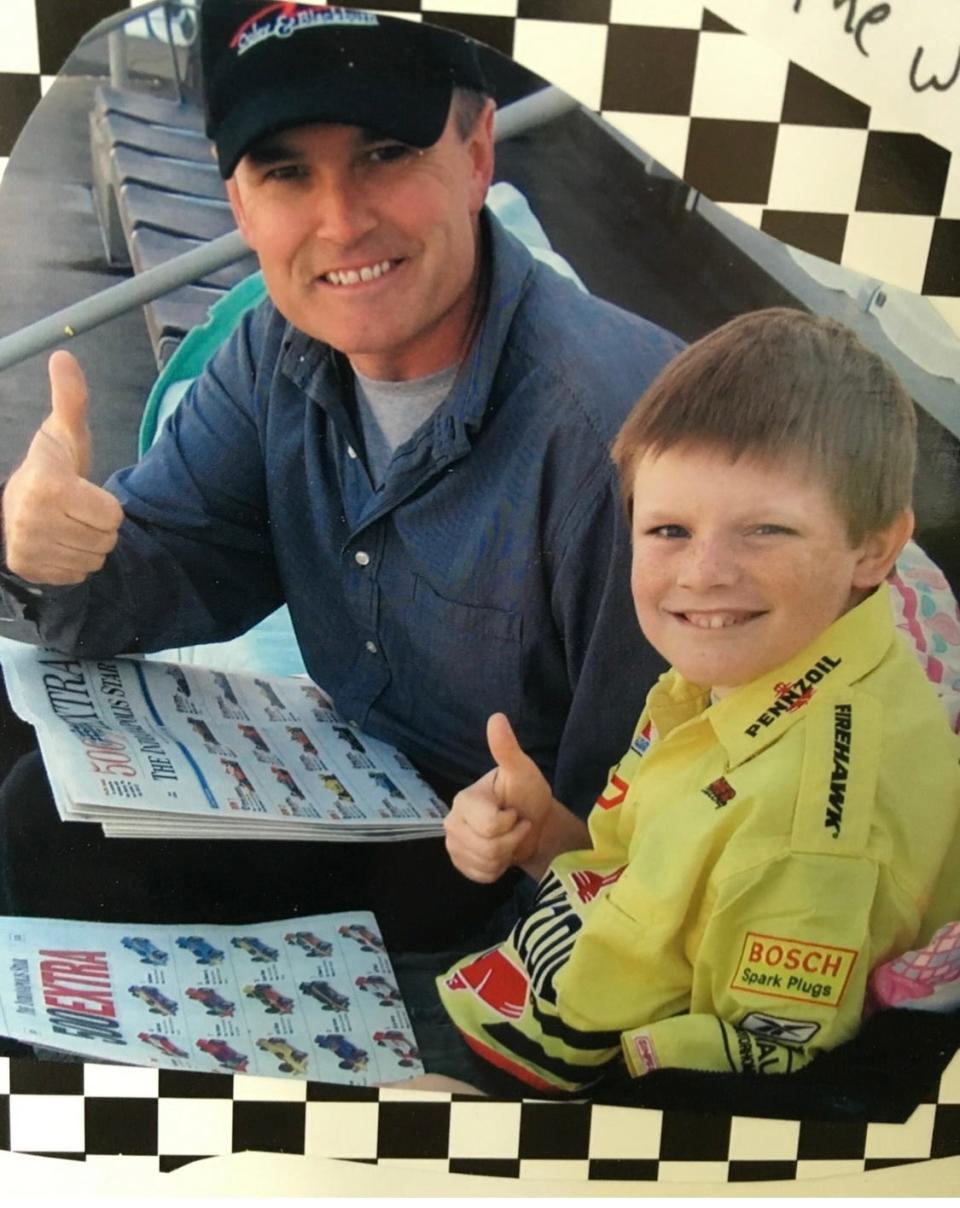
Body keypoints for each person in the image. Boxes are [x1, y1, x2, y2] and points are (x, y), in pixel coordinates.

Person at [0, 2, 682, 948]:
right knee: (29, 770)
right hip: (358, 786)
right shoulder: (271, 351)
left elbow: (664, 838)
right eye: (287, 172)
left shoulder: (623, 439)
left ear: (479, 151)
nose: (341, 222)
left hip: (519, 878)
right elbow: (170, 565)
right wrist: (43, 549)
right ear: (239, 203)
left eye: (384, 154)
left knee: (41, 830)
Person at [389, 309, 960, 1102]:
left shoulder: (809, 835)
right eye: (669, 530)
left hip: (560, 1086)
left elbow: (737, 1097)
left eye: (765, 530)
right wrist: (541, 834)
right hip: (533, 984)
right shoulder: (745, 669)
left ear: (874, 548)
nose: (703, 574)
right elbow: (652, 886)